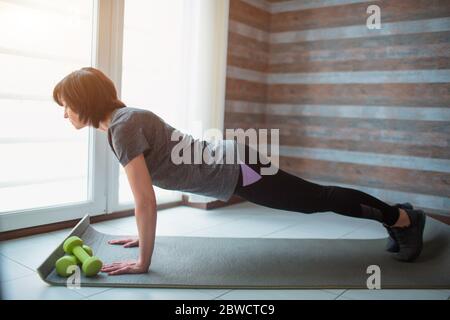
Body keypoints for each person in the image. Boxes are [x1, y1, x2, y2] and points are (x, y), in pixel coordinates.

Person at [53, 67, 426, 275]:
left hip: (237, 168)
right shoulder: (124, 121)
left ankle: (404, 218)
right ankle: (398, 214)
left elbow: (145, 201)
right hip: (234, 162)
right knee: (315, 198)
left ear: (84, 100)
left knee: (316, 200)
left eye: (66, 104)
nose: (64, 112)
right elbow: (151, 189)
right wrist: (140, 237)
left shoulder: (122, 126)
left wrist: (143, 261)